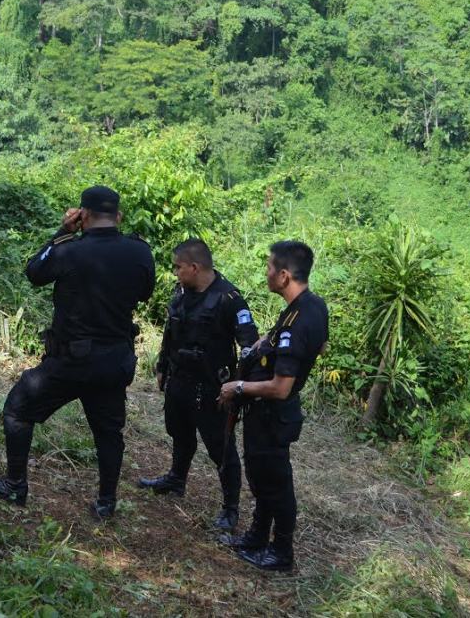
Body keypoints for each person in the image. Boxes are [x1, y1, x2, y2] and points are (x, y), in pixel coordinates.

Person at [0, 185, 156, 519]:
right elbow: (146, 293)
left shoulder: (69, 250)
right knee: (108, 431)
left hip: (70, 362)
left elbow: (34, 272)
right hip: (115, 361)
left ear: (83, 215)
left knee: (17, 409)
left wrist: (63, 231)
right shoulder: (140, 252)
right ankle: (106, 502)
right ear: (118, 216)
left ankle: (15, 486)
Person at [217, 240, 328, 571]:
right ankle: (256, 537)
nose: (265, 273)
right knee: (263, 479)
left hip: (273, 414)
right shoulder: (310, 306)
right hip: (266, 415)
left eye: (268, 268)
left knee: (276, 485)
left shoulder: (299, 320)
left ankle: (281, 552)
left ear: (283, 275)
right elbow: (320, 346)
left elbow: (280, 388)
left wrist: (237, 386)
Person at [138, 239, 258, 532]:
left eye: (179, 267)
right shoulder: (181, 292)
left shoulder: (229, 299)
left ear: (194, 267)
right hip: (180, 380)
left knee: (221, 449)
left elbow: (250, 347)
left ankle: (230, 510)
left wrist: (238, 387)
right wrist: (162, 367)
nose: (175, 272)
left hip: (212, 389)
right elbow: (170, 331)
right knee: (179, 433)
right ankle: (176, 479)